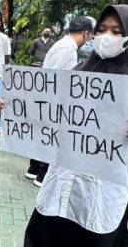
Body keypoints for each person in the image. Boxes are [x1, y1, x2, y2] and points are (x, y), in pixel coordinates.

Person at [0, 4, 128, 247]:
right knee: (45, 232)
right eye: (102, 30)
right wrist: (15, 110)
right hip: (65, 176)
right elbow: (51, 114)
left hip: (103, 188)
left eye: (116, 31)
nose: (106, 37)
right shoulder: (79, 73)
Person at [24, 16, 94, 187]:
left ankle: (34, 169)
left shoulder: (64, 45)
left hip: (52, 98)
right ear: (85, 34)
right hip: (54, 99)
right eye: (90, 36)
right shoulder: (67, 49)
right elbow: (53, 76)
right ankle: (41, 174)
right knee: (51, 138)